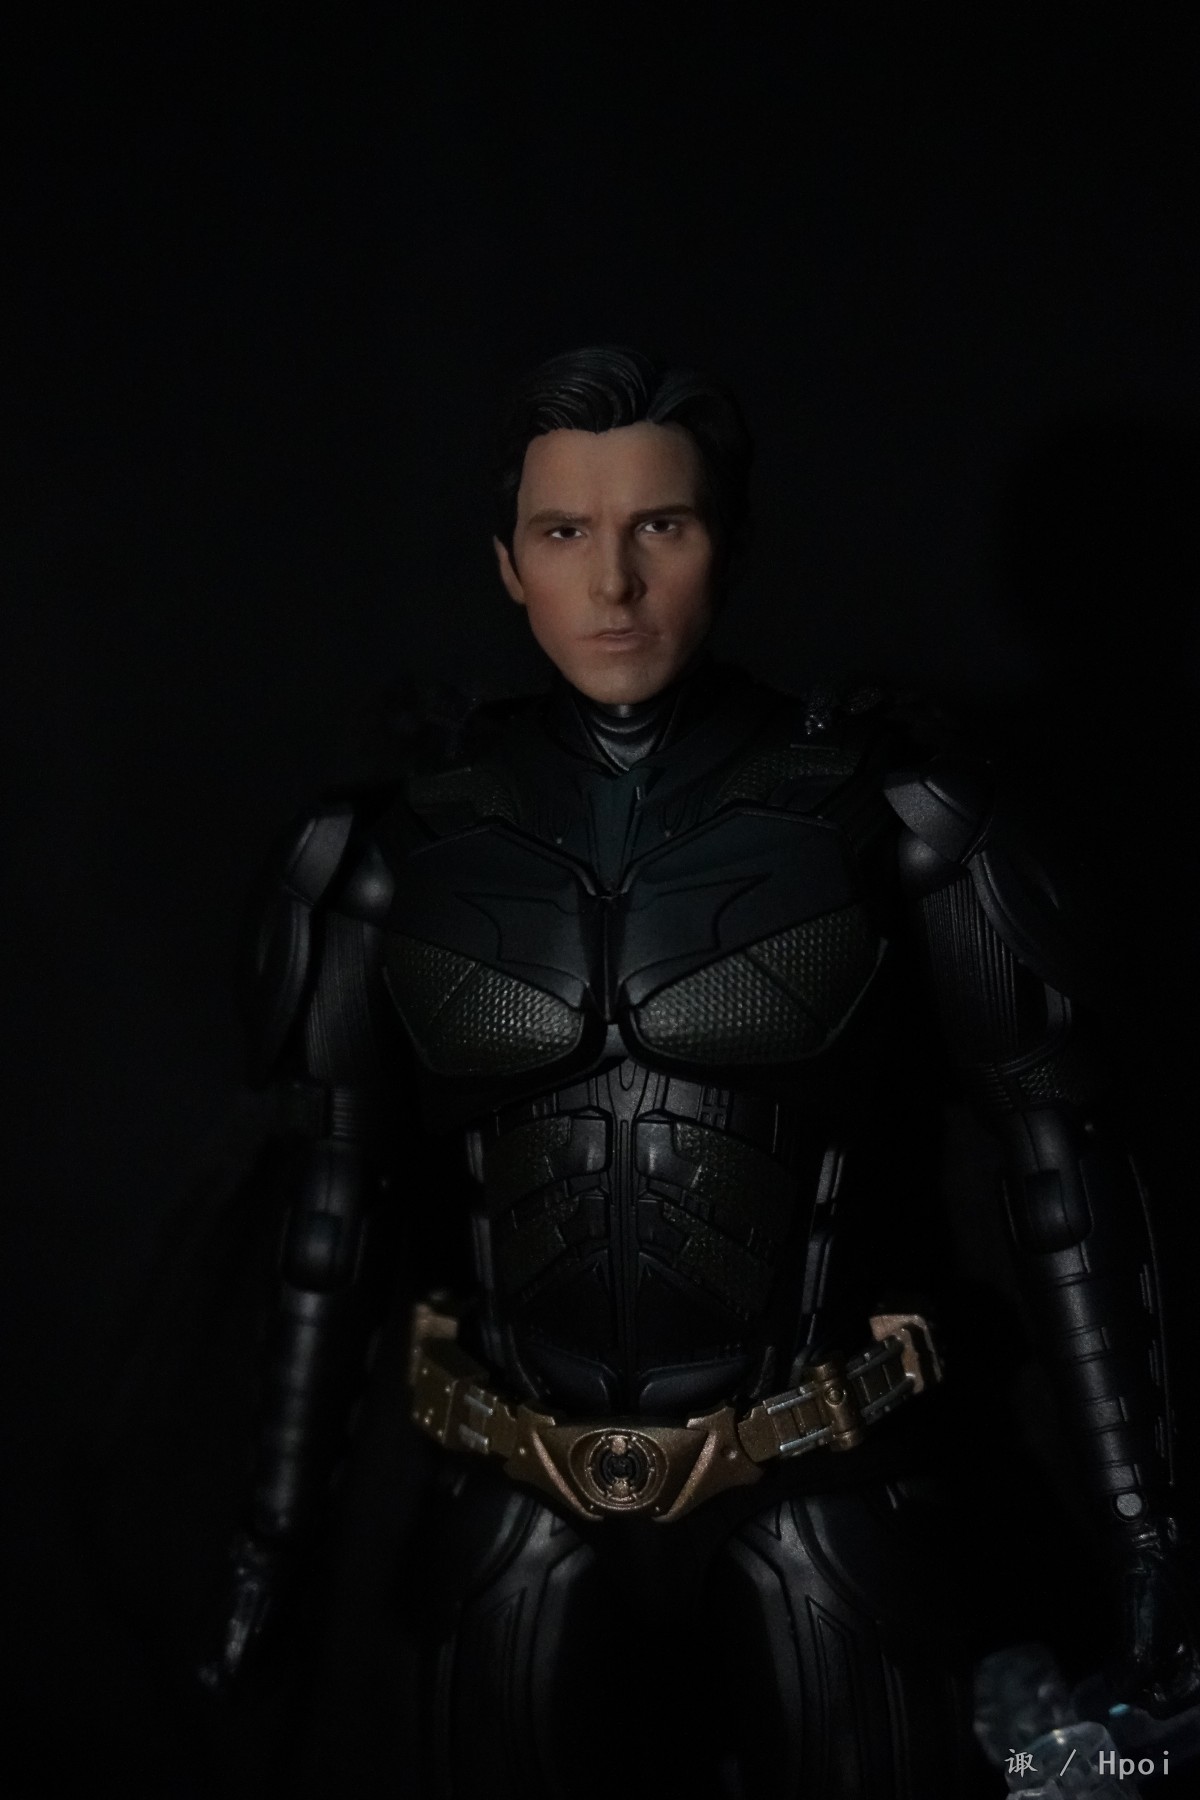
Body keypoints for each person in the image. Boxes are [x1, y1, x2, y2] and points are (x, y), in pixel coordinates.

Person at [207, 346, 1199, 1797]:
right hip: (513, 1511)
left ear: (726, 542)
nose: (612, 583)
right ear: (508, 564)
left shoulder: (898, 819)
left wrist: (1147, 1529)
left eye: (657, 526)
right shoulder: (390, 850)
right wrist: (269, 1541)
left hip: (827, 1496)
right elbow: (327, 1217)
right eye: (565, 531)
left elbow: (1064, 1179)